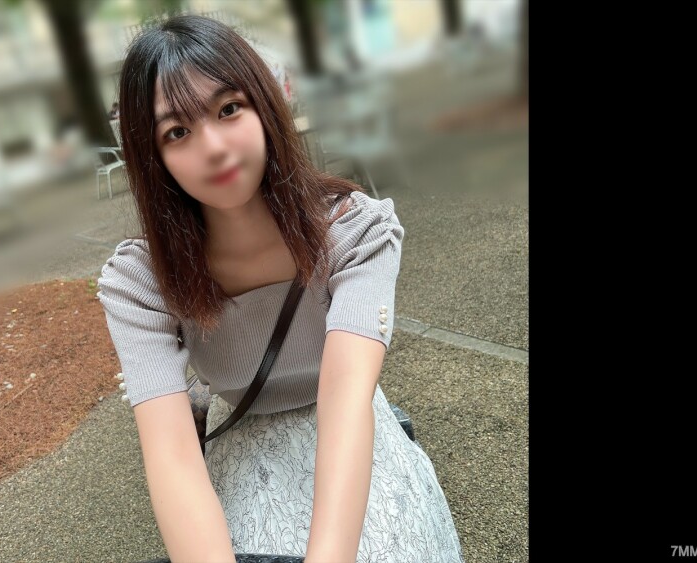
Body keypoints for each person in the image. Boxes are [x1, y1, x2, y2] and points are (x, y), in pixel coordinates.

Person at [97, 15, 464, 563]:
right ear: (153, 157)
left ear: (265, 105)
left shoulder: (354, 232)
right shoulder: (141, 282)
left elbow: (346, 398)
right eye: (177, 132)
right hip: (243, 438)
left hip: (348, 427)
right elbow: (171, 454)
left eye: (228, 109)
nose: (214, 147)